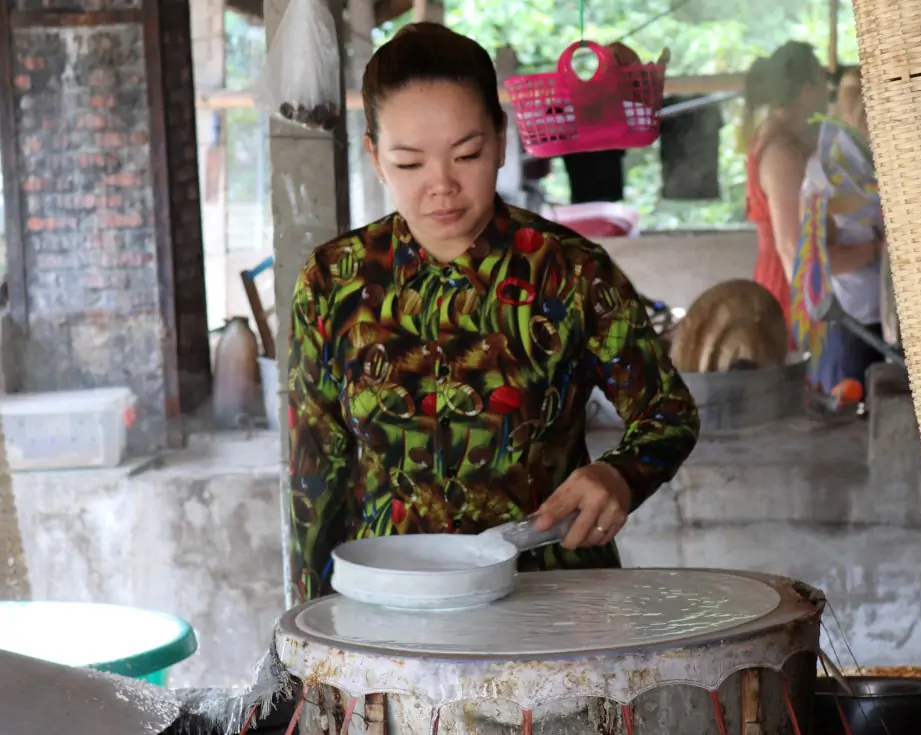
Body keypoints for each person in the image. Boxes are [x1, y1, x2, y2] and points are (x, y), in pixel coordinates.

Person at [287, 22, 699, 605]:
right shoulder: (334, 282)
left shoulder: (569, 270)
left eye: (468, 154)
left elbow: (668, 414)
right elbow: (314, 474)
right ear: (376, 157)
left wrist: (620, 475)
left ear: (502, 140)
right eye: (409, 164)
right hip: (391, 608)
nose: (442, 186)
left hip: (551, 602)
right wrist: (306, 628)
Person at [791, 66, 886, 396]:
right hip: (851, 324)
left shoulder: (894, 160)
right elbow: (821, 260)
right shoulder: (823, 176)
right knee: (852, 426)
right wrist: (882, 250)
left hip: (900, 319)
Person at [742, 41, 830, 332]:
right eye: (822, 83)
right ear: (807, 91)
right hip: (787, 284)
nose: (826, 92)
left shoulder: (786, 139)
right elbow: (791, 246)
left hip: (787, 278)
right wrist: (811, 307)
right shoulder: (781, 152)